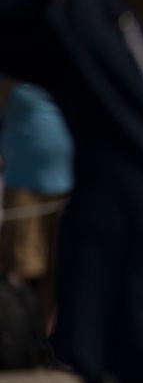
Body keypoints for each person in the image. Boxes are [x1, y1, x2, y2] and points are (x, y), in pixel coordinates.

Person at [0, 78, 73, 335]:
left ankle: (43, 339)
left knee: (54, 269)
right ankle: (15, 336)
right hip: (24, 183)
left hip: (69, 183)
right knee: (19, 269)